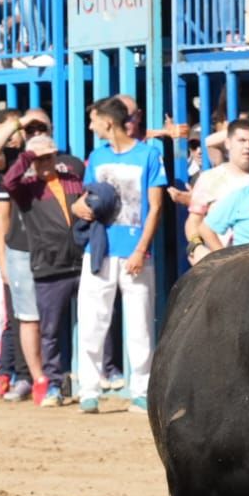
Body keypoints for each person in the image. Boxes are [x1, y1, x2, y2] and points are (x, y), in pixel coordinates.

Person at [73, 97, 167, 414]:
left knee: (139, 323)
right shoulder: (97, 156)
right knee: (91, 321)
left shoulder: (149, 154)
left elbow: (155, 206)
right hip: (99, 249)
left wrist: (141, 249)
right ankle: (89, 390)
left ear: (108, 123)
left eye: (94, 120)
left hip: (134, 251)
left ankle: (140, 389)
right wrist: (77, 207)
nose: (91, 126)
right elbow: (88, 200)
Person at [1, 133, 85, 408]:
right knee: (49, 331)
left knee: (92, 324)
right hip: (49, 266)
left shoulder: (71, 178)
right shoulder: (27, 187)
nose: (45, 163)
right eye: (39, 159)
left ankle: (90, 380)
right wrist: (29, 156)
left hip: (81, 262)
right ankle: (54, 384)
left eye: (48, 156)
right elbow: (7, 181)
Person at [0, 110, 48, 402]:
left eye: (40, 128)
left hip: (51, 250)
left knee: (47, 319)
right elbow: (2, 218)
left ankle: (44, 376)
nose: (33, 132)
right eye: (28, 128)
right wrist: (2, 260)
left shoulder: (57, 157)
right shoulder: (11, 160)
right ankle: (20, 375)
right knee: (17, 317)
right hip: (18, 251)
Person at [185, 118, 249, 263]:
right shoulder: (210, 178)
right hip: (218, 267)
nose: (248, 146)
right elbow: (193, 221)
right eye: (241, 140)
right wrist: (196, 247)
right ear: (228, 143)